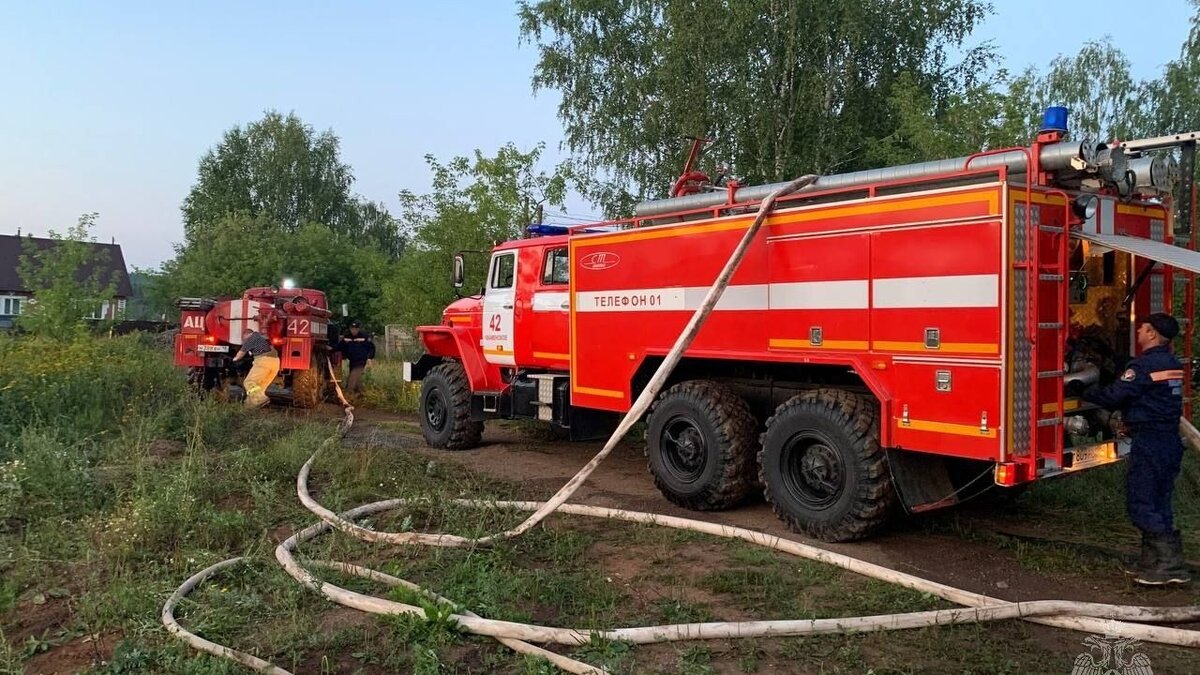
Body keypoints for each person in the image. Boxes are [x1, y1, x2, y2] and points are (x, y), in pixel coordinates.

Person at [1083, 312, 1189, 585]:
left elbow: (1113, 396)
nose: (1138, 331)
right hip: (1168, 441)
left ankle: (1169, 564)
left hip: (1150, 442)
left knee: (1140, 501)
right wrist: (1112, 356)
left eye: (1142, 328)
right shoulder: (1170, 362)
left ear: (1152, 334)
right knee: (1160, 500)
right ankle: (1152, 561)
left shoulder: (1142, 368)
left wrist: (1080, 390)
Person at [232, 326, 280, 409]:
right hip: (275, 363)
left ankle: (261, 399)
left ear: (246, 335)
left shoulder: (251, 338)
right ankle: (249, 407)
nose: (244, 340)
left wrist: (233, 360)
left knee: (249, 382)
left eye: (243, 338)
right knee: (259, 388)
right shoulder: (263, 337)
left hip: (264, 362)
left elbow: (240, 355)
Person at [339, 321, 375, 397]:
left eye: (355, 329)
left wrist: (369, 358)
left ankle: (348, 394)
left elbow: (371, 348)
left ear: (358, 329)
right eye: (352, 329)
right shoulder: (347, 337)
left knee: (353, 376)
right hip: (352, 361)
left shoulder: (364, 336)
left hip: (361, 360)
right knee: (357, 379)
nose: (354, 330)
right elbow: (341, 346)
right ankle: (362, 393)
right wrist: (332, 349)